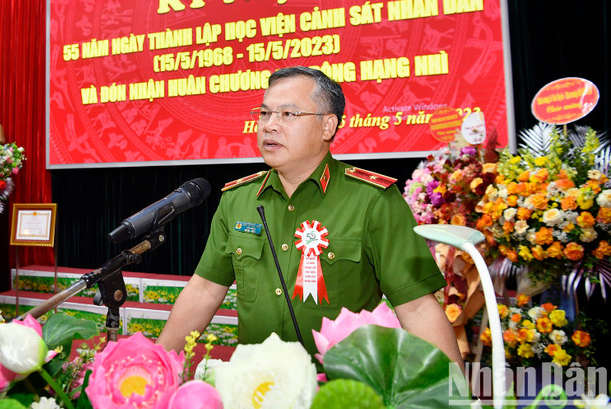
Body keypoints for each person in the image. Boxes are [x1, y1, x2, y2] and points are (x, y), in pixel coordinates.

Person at [157, 66, 463, 365]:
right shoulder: (238, 200)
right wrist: (156, 365)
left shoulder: (373, 200)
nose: (269, 125)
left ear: (328, 126)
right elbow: (205, 290)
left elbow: (417, 308)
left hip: (341, 395)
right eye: (264, 113)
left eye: (288, 114)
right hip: (256, 390)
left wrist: (455, 396)